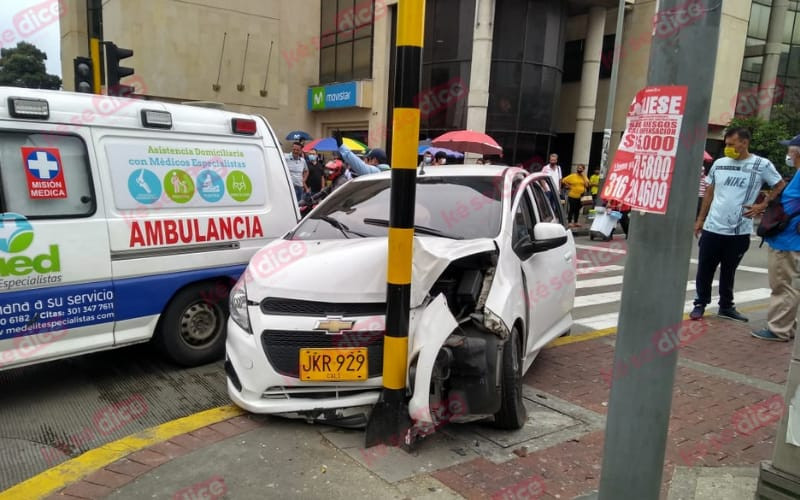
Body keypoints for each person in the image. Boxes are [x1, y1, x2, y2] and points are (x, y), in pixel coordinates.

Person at [691, 127, 786, 322]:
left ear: (744, 143)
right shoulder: (719, 163)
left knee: (729, 270)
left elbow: (779, 185)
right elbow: (710, 191)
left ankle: (726, 306)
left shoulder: (761, 164)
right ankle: (700, 303)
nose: (727, 148)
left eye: (731, 144)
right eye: (726, 144)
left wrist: (763, 204)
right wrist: (700, 219)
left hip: (739, 230)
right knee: (705, 268)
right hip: (712, 227)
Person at [752, 134, 800, 341]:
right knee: (786, 285)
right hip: (786, 239)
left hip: (787, 241)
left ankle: (778, 329)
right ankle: (787, 327)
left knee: (782, 286)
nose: (787, 153)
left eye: (789, 149)